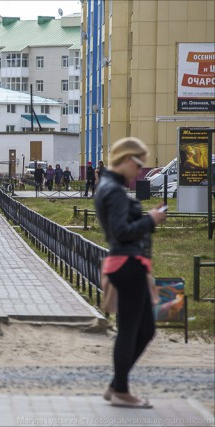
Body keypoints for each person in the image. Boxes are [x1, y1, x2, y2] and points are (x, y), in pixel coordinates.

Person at [94, 137, 167, 409]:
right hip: (127, 264)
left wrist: (148, 217)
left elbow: (123, 224)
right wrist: (150, 220)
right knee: (129, 330)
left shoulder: (110, 186)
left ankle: (117, 384)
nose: (140, 171)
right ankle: (121, 391)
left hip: (128, 263)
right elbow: (121, 233)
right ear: (125, 159)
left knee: (145, 329)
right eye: (138, 164)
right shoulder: (113, 189)